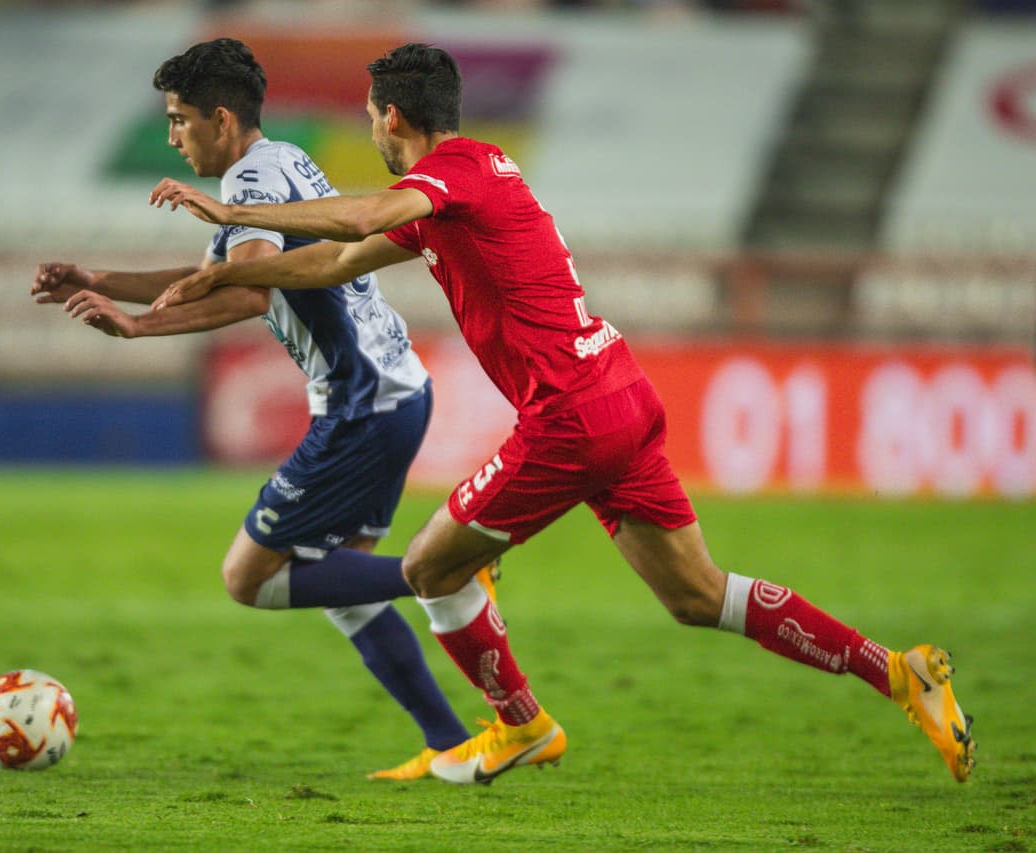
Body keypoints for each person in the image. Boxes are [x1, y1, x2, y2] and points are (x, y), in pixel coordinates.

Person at [146, 42, 976, 785]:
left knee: (434, 566)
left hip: (570, 417)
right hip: (621, 394)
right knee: (696, 595)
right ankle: (901, 672)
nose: (368, 129)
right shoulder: (469, 182)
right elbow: (334, 260)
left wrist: (234, 212)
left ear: (390, 116)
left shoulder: (450, 175)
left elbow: (364, 215)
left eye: (368, 117)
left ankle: (519, 726)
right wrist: (219, 276)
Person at [30, 39, 498, 781]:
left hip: (361, 403)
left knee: (249, 576)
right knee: (342, 588)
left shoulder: (251, 180)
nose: (173, 136)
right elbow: (224, 272)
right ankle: (451, 743)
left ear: (221, 118)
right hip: (391, 388)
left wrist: (136, 326)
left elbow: (246, 289)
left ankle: (445, 570)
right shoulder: (277, 162)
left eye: (180, 120)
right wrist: (100, 280)